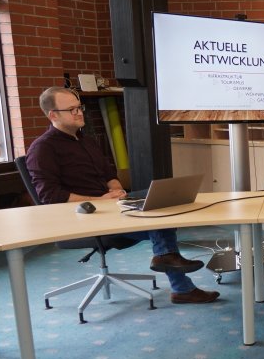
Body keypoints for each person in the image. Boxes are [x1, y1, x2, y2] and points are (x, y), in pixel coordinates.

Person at [25, 87, 219, 304]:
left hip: (110, 206)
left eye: (80, 107)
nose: (79, 113)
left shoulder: (86, 141)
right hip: (81, 217)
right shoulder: (42, 149)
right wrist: (102, 200)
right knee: (156, 219)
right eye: (72, 109)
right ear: (53, 115)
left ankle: (169, 262)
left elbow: (109, 175)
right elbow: (50, 196)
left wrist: (117, 191)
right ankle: (178, 280)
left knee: (158, 198)